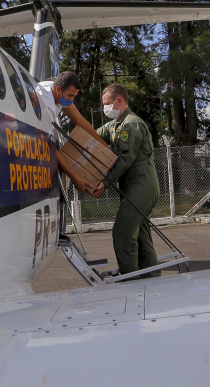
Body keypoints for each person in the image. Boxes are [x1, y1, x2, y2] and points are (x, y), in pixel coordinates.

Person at [90, 84, 160, 279]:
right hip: (135, 187)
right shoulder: (116, 125)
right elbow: (93, 135)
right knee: (140, 235)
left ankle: (131, 282)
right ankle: (152, 279)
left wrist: (104, 182)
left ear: (119, 101)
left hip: (142, 185)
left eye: (107, 104)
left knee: (122, 233)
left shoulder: (131, 124)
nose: (105, 109)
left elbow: (124, 159)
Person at [35, 71, 109, 193]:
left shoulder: (55, 90)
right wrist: (75, 178)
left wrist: (103, 145)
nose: (72, 100)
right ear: (58, 89)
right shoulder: (45, 105)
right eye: (70, 95)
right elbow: (50, 146)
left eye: (74, 96)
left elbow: (81, 121)